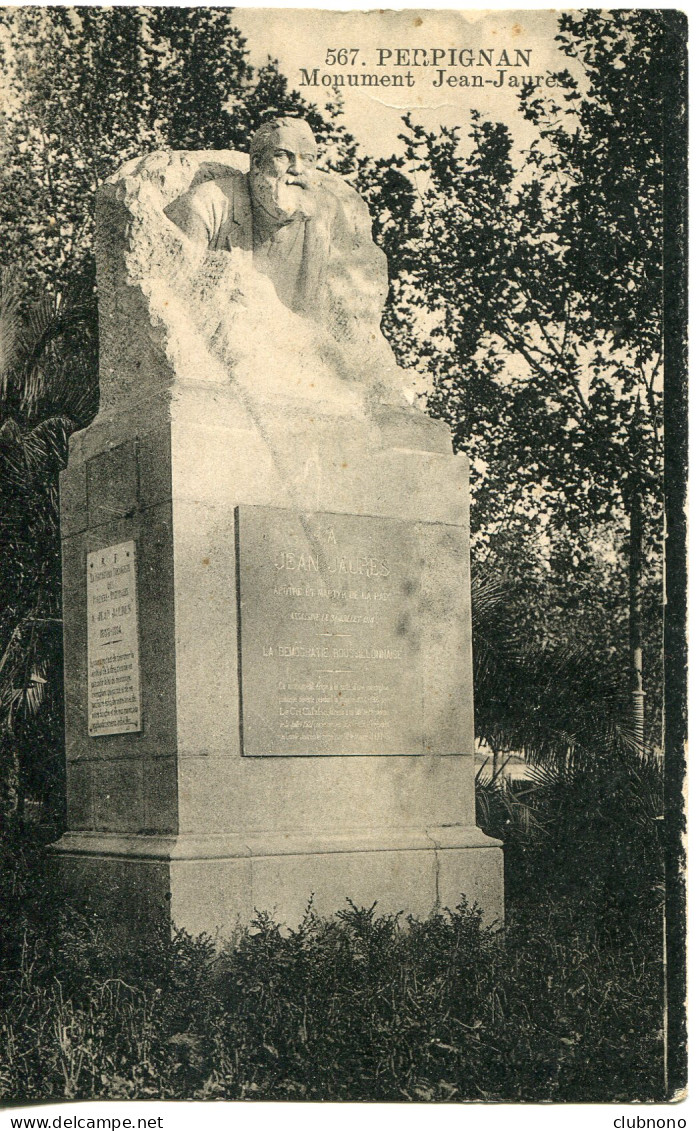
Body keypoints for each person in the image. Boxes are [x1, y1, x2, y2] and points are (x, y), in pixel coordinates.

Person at [165, 116, 386, 325]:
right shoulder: (207, 205)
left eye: (308, 159)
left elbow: (349, 303)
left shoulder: (327, 211)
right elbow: (175, 298)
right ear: (257, 162)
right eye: (282, 155)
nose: (297, 169)